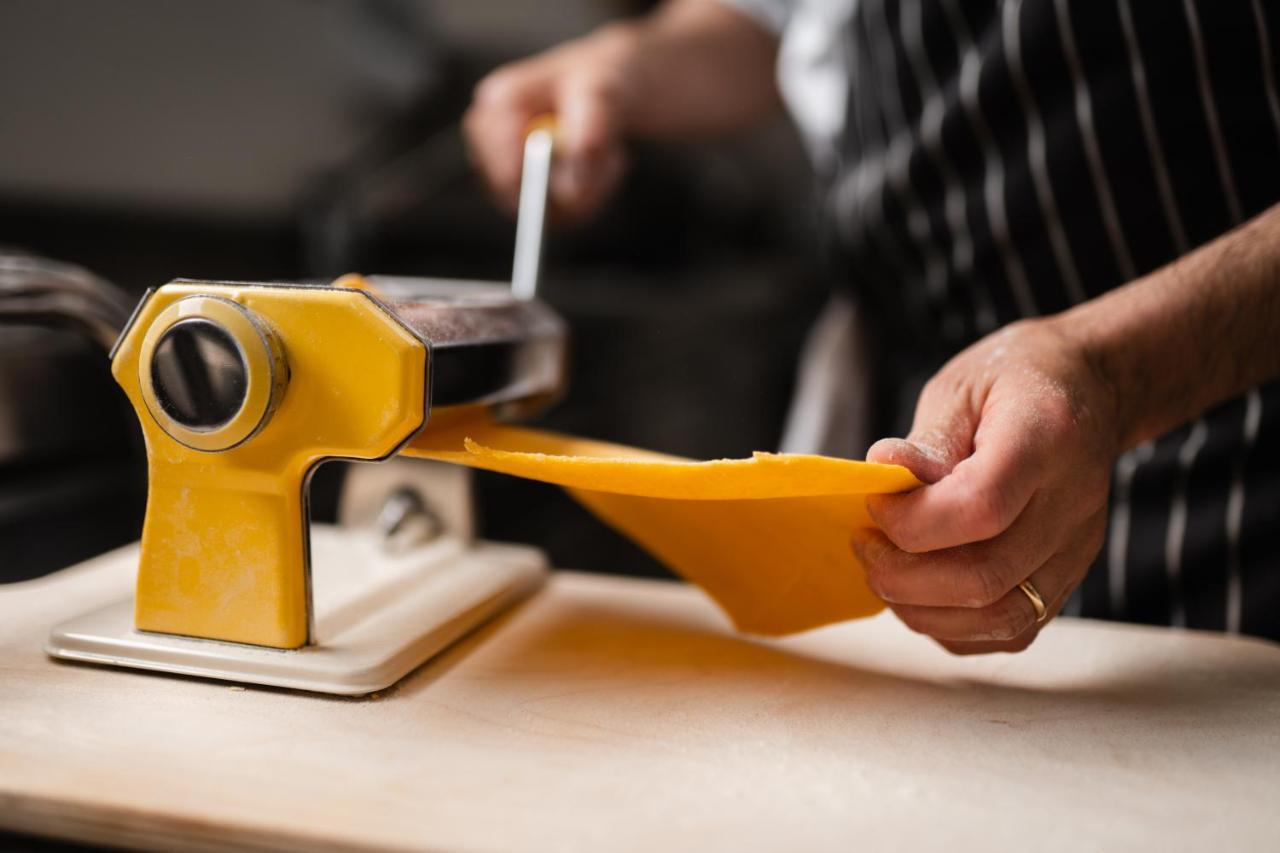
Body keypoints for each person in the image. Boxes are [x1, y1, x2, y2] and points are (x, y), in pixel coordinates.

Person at [463, 0, 1280, 652]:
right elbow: (782, 20)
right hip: (927, 438)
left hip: (1231, 459)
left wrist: (1114, 368)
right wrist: (626, 66)